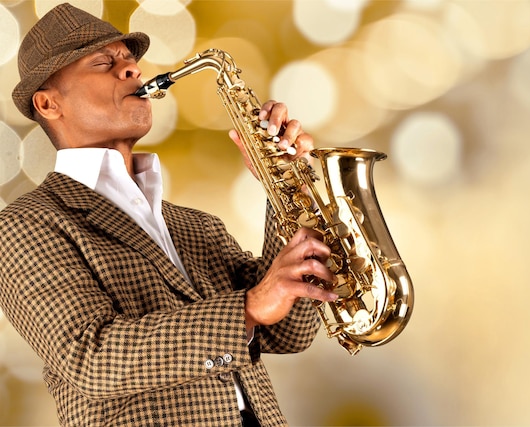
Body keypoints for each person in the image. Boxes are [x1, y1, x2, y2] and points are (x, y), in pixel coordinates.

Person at [0, 3, 338, 426]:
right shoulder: (25, 225)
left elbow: (288, 333)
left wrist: (285, 185)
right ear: (48, 104)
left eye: (129, 60)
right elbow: (90, 356)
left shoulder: (197, 224)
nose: (131, 70)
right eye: (104, 62)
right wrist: (250, 306)